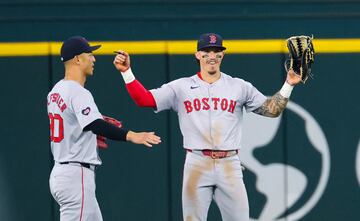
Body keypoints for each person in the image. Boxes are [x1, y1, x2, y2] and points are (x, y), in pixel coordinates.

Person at [113, 33, 301, 221]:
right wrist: (126, 72)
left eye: (217, 51)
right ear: (197, 55)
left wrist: (288, 84)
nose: (212, 55)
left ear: (223, 56)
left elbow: (272, 110)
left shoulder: (239, 86)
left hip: (229, 163)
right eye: (206, 51)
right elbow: (144, 99)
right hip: (197, 162)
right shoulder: (181, 87)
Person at [47, 36, 161, 221]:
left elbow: (77, 124)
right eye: (90, 54)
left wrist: (92, 131)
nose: (94, 59)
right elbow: (94, 125)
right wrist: (132, 135)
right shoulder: (78, 92)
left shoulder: (55, 91)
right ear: (77, 59)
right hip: (76, 176)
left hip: (63, 172)